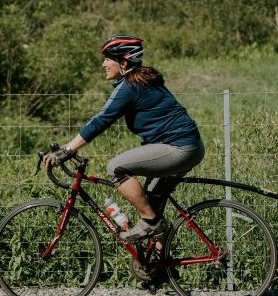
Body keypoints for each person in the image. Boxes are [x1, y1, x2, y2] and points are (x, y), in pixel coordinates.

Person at [43, 35, 205, 241]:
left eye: (108, 59)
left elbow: (100, 121)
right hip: (188, 147)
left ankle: (150, 223)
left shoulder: (129, 86)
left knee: (116, 168)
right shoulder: (141, 80)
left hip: (178, 148)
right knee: (152, 204)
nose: (103, 64)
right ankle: (157, 265)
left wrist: (68, 150)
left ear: (123, 62)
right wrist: (68, 147)